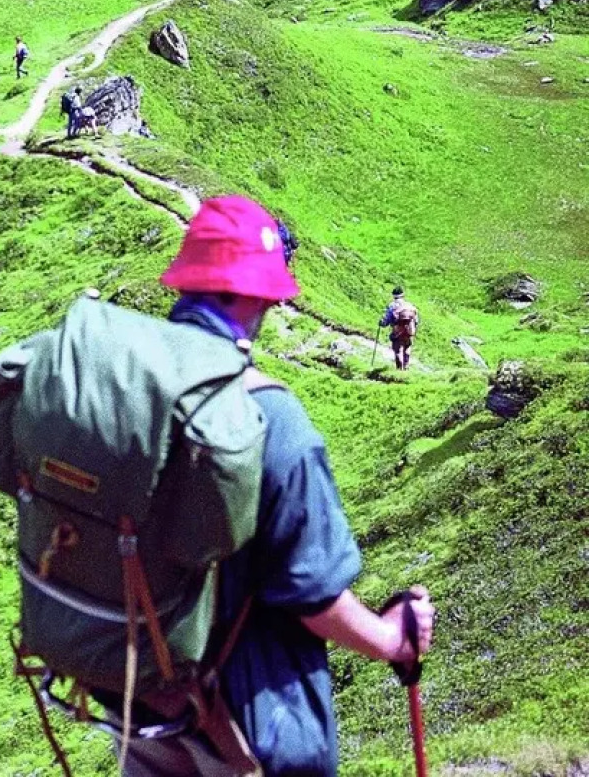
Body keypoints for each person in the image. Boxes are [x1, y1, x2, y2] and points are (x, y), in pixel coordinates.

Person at [109, 197, 435, 777]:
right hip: (243, 723)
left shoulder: (126, 396)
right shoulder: (272, 421)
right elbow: (317, 602)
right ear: (259, 294)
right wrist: (392, 639)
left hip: (142, 706)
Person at [380, 286, 419, 371]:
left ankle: (399, 371)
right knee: (407, 347)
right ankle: (406, 367)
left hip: (398, 331)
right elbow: (416, 320)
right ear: (403, 295)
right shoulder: (410, 306)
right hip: (409, 331)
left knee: (398, 350)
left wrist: (382, 323)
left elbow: (387, 320)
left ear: (393, 296)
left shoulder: (392, 306)